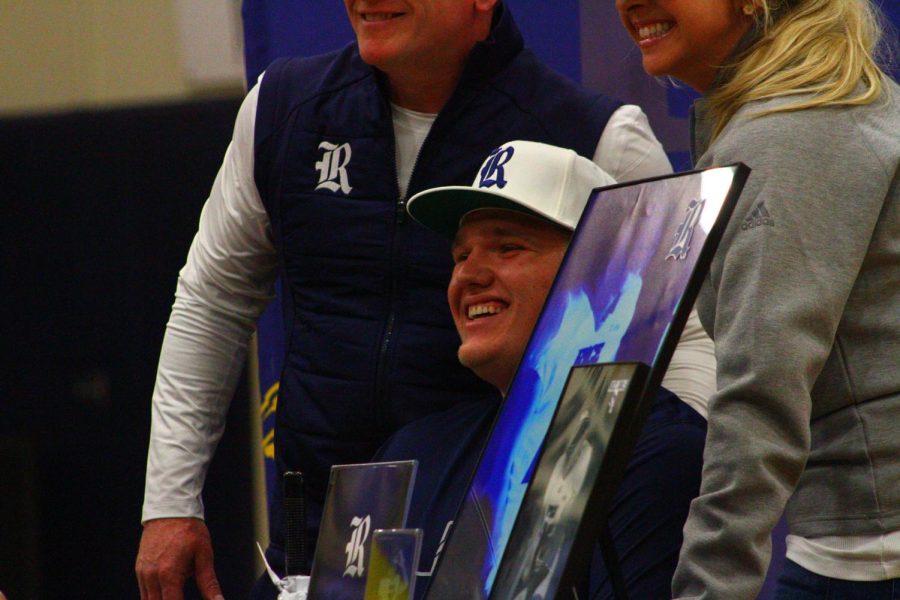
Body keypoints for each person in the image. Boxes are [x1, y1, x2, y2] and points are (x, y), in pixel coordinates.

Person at [135, 2, 708, 599]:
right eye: (460, 254)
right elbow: (211, 302)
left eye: (507, 246)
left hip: (498, 560)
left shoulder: (599, 137)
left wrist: (660, 493)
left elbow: (682, 334)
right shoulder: (282, 108)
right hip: (317, 554)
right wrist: (170, 501)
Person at [614, 0, 900, 597]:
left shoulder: (791, 132)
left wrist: (708, 591)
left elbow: (759, 394)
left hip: (869, 557)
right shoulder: (825, 108)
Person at [353, 139, 710, 600]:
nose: (468, 275)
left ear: (603, 275)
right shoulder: (411, 452)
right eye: (461, 256)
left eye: (508, 247)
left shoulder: (659, 451)